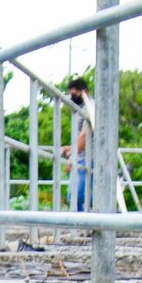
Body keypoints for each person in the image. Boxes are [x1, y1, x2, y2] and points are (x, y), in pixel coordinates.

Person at [64, 77, 94, 210]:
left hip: (86, 159)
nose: (72, 98)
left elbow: (85, 136)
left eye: (75, 94)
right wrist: (70, 148)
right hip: (83, 157)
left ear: (85, 92)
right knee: (77, 197)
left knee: (77, 197)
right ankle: (83, 227)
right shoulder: (81, 110)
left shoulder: (90, 107)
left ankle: (82, 227)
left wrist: (71, 157)